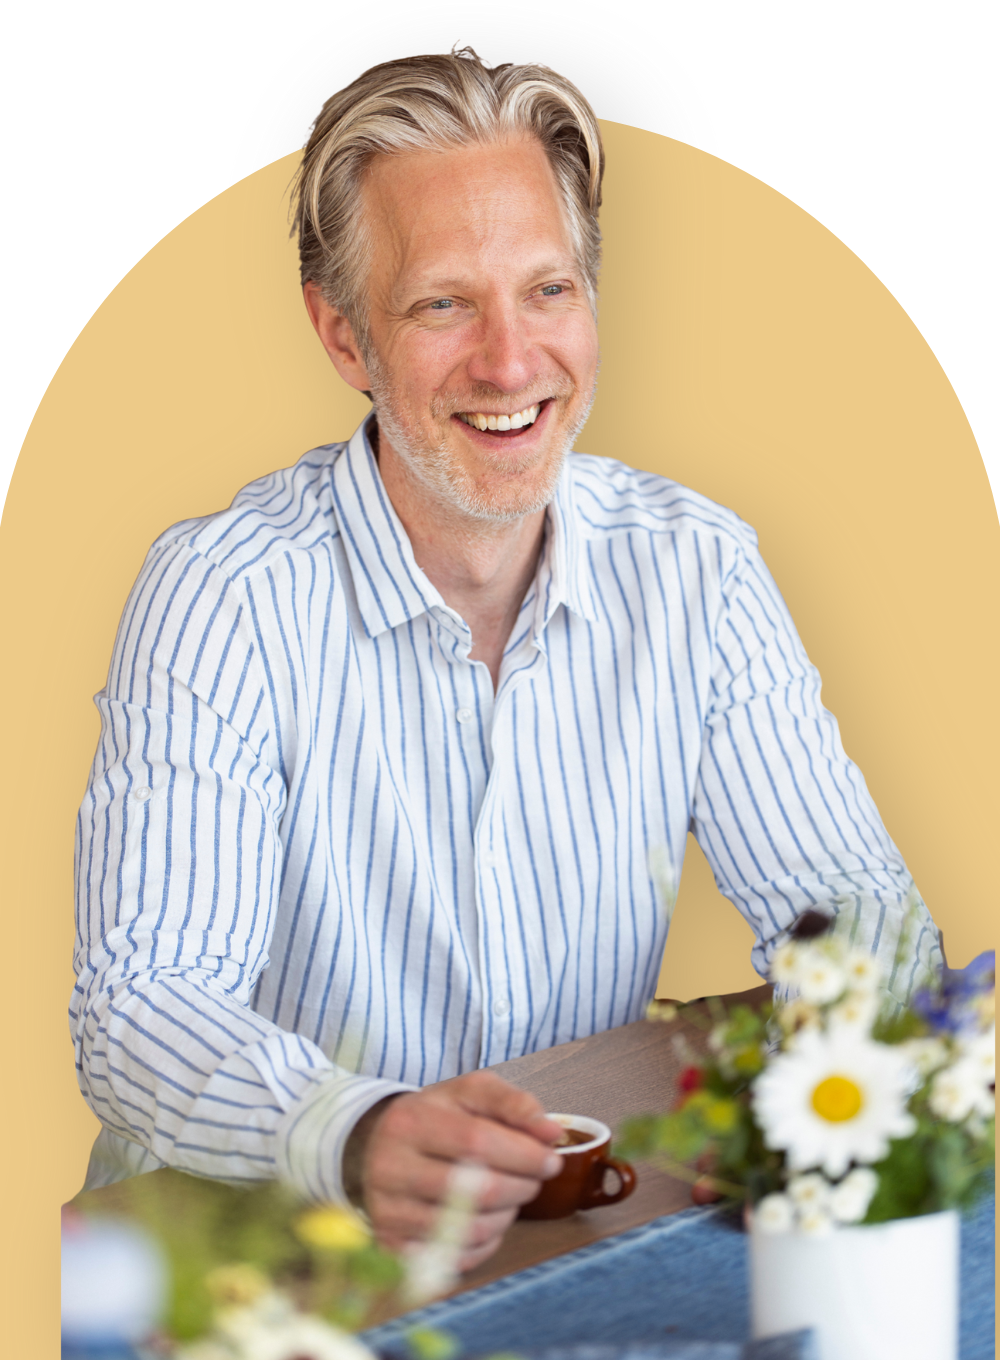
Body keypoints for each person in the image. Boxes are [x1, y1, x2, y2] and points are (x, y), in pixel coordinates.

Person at [71, 46, 942, 1271]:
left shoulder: (698, 567)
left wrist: (813, 1085)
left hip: (567, 1231)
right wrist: (353, 1126)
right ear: (343, 336)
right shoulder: (222, 595)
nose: (511, 361)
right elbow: (140, 1007)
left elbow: (863, 926)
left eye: (547, 291)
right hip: (249, 1267)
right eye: (442, 303)